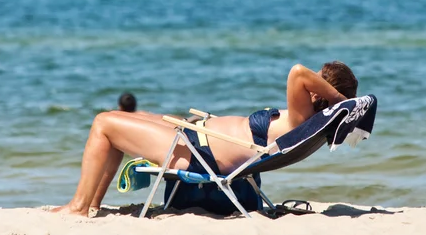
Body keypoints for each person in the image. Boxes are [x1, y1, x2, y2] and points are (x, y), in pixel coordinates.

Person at [52, 62, 358, 216]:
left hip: (199, 155)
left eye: (320, 77)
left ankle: (79, 206)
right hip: (195, 136)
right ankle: (91, 203)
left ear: (319, 90)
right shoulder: (306, 120)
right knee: (123, 119)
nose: (313, 78)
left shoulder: (300, 118)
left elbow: (297, 72)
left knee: (103, 123)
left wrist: (336, 99)